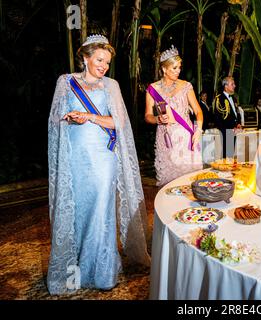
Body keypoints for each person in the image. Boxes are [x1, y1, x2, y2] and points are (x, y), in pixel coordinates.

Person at [47, 34, 150, 295]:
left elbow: (119, 123)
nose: (103, 66)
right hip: (77, 159)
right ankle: (78, 267)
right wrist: (72, 119)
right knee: (80, 211)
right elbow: (56, 122)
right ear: (85, 57)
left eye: (107, 62)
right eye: (100, 60)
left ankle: (103, 272)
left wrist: (90, 116)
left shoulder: (111, 86)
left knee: (101, 210)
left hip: (104, 159)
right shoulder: (66, 82)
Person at [145, 45, 203, 187]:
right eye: (174, 68)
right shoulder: (153, 89)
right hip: (166, 139)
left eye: (179, 67)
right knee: (168, 184)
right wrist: (157, 119)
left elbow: (198, 111)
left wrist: (199, 129)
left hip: (186, 137)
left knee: (190, 182)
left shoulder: (186, 86)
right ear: (164, 69)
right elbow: (147, 115)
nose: (178, 71)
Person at [213, 76, 242, 158]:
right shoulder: (219, 99)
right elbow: (218, 118)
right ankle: (225, 170)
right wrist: (227, 131)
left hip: (234, 130)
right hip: (227, 131)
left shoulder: (234, 98)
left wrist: (238, 124)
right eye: (232, 84)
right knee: (227, 155)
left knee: (230, 154)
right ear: (226, 86)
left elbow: (237, 113)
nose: (234, 86)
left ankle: (227, 169)